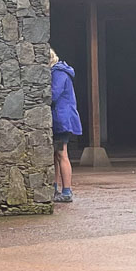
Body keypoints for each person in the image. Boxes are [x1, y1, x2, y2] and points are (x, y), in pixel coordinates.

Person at [49, 47, 82, 203]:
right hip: (60, 119)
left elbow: (54, 94)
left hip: (61, 121)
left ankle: (67, 191)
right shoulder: (60, 72)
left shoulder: (59, 73)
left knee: (62, 154)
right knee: (56, 155)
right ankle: (55, 188)